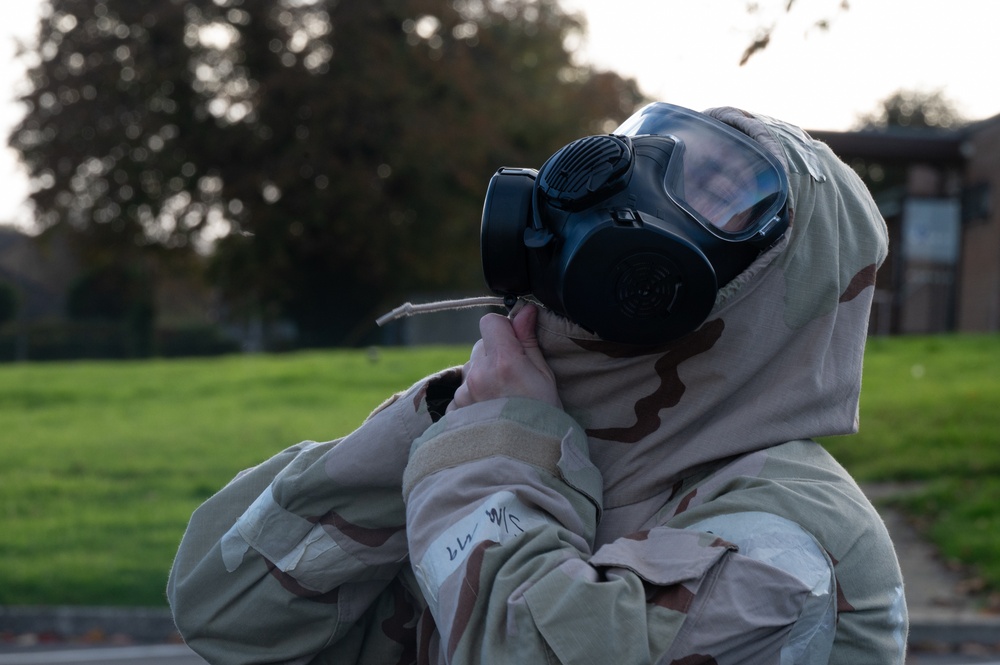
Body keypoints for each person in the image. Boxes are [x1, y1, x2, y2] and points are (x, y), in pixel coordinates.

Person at [168, 102, 908, 664]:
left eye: (714, 189)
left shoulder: (791, 548)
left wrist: (489, 454)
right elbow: (221, 609)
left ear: (769, 295)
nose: (624, 177)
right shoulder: (509, 434)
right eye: (656, 149)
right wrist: (442, 423)